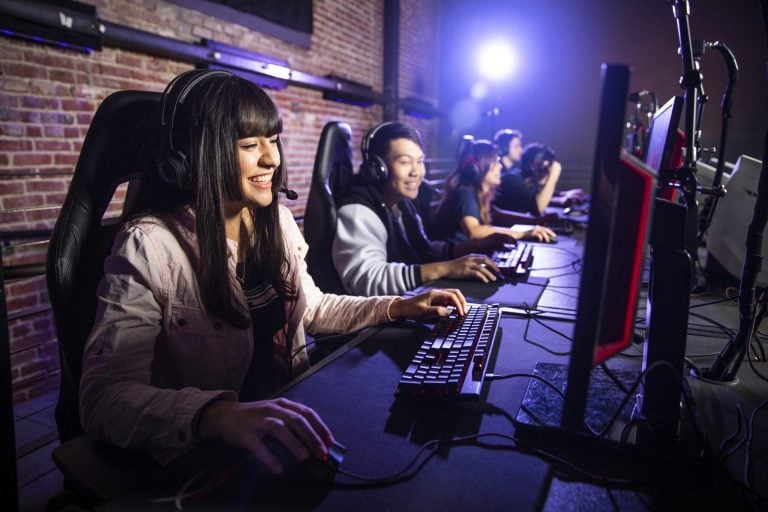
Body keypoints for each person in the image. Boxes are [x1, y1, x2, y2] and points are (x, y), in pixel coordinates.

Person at [78, 70, 467, 474]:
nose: (272, 158)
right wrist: (217, 415)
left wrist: (398, 307)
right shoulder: (150, 245)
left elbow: (313, 309)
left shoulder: (276, 221)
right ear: (197, 156)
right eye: (250, 144)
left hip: (293, 417)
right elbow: (102, 398)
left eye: (273, 140)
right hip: (214, 455)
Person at [332, 122, 515, 297]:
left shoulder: (403, 204)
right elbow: (367, 280)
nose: (417, 172)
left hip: (408, 302)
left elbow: (422, 251)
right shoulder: (359, 210)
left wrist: (471, 247)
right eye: (405, 162)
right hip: (376, 322)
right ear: (379, 168)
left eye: (420, 162)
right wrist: (444, 269)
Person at [431, 139, 556, 244]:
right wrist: (522, 233)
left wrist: (535, 222)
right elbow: (474, 231)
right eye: (495, 161)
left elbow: (498, 214)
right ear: (478, 168)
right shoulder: (465, 193)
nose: (500, 166)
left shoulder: (476, 193)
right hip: (452, 264)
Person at [494, 143, 584, 216]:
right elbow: (537, 207)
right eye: (546, 169)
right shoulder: (512, 181)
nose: (547, 174)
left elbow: (534, 196)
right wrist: (553, 176)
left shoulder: (525, 180)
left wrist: (562, 195)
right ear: (534, 166)